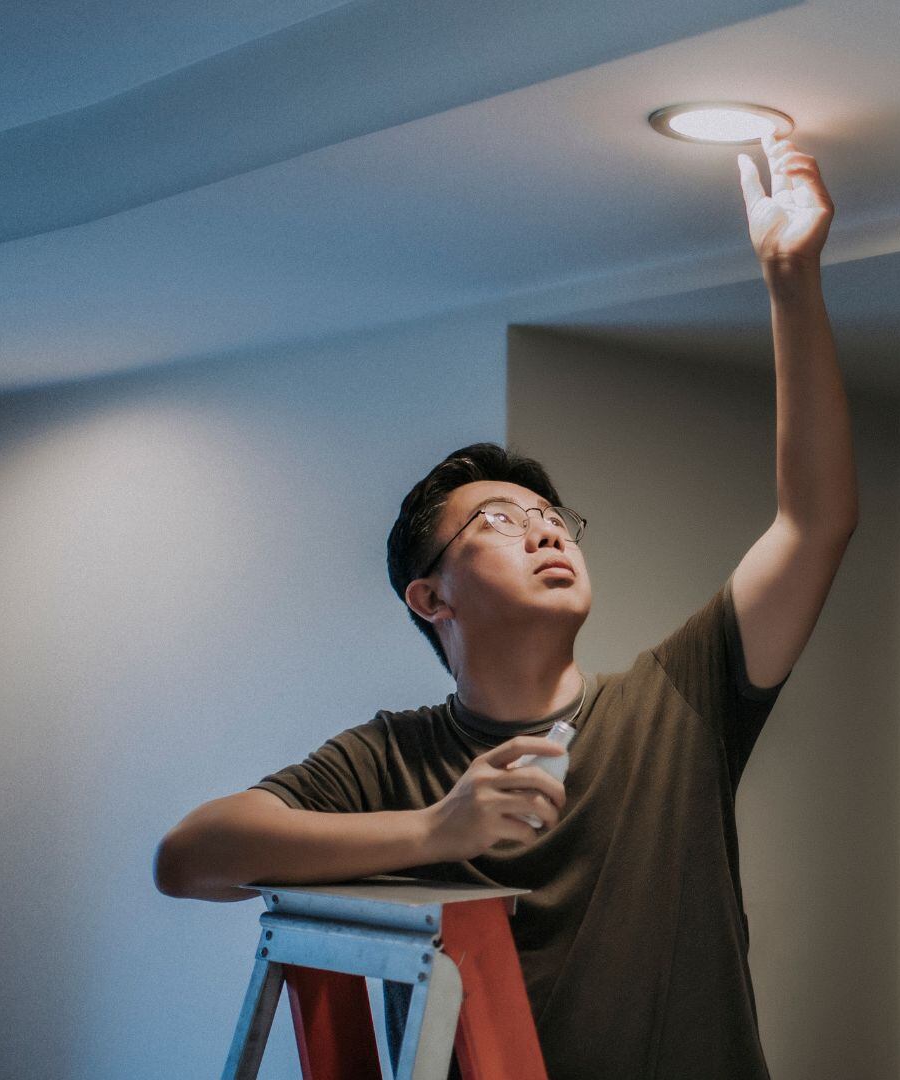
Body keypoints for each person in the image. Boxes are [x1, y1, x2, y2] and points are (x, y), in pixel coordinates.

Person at [155, 130, 856, 1080]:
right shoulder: (393, 758)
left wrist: (789, 277)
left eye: (552, 515)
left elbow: (813, 523)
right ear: (429, 595)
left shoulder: (674, 703)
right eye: (497, 518)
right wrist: (436, 832)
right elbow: (188, 859)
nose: (545, 530)